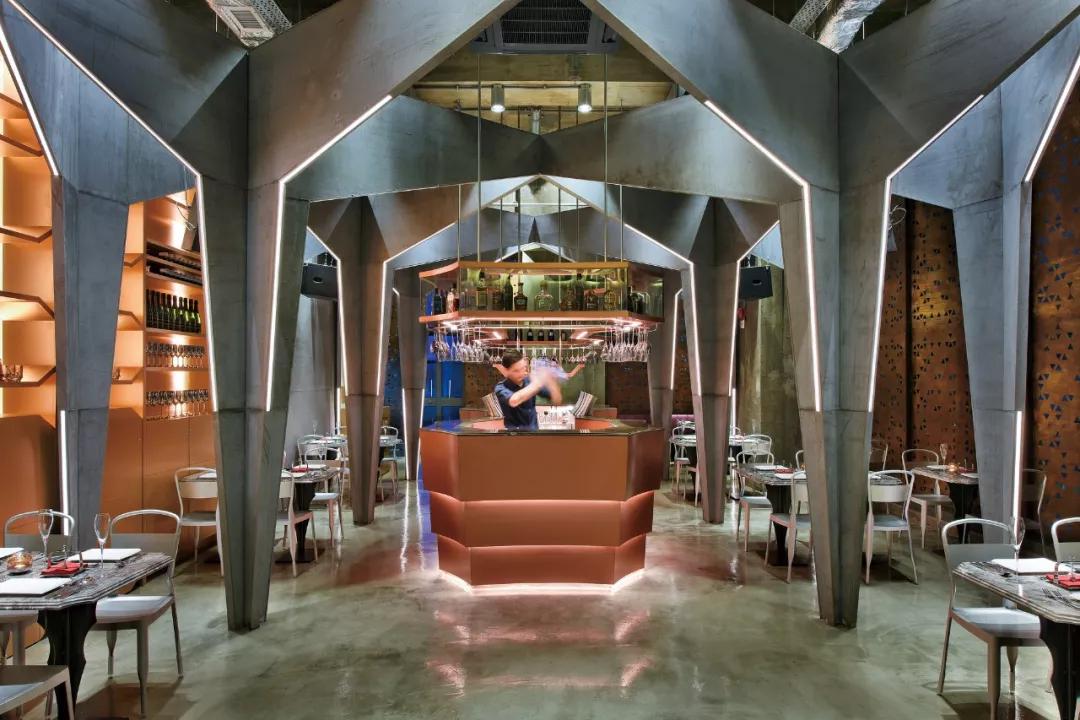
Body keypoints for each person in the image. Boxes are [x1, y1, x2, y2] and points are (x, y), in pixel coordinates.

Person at [493, 350, 567, 430]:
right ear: (506, 371)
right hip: (514, 435)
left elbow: (557, 400)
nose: (521, 373)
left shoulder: (530, 381)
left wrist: (550, 381)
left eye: (523, 368)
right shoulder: (500, 387)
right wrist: (538, 382)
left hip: (534, 433)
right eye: (516, 370)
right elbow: (514, 401)